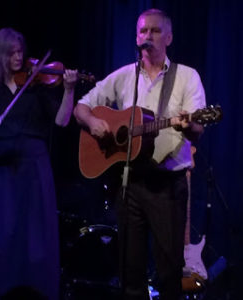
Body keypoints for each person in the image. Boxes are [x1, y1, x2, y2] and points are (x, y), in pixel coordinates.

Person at [74, 8, 206, 300]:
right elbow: (81, 107)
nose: (148, 36)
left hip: (167, 186)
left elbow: (197, 128)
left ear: (168, 37)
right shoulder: (124, 77)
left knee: (169, 272)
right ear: (136, 37)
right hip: (129, 183)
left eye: (155, 31)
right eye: (143, 31)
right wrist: (94, 122)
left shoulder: (187, 77)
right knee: (130, 272)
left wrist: (190, 124)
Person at [0, 27, 78, 300]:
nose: (19, 57)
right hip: (1, 168)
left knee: (34, 238)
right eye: (11, 52)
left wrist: (69, 90)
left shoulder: (35, 86)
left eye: (20, 51)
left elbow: (61, 121)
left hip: (35, 167)